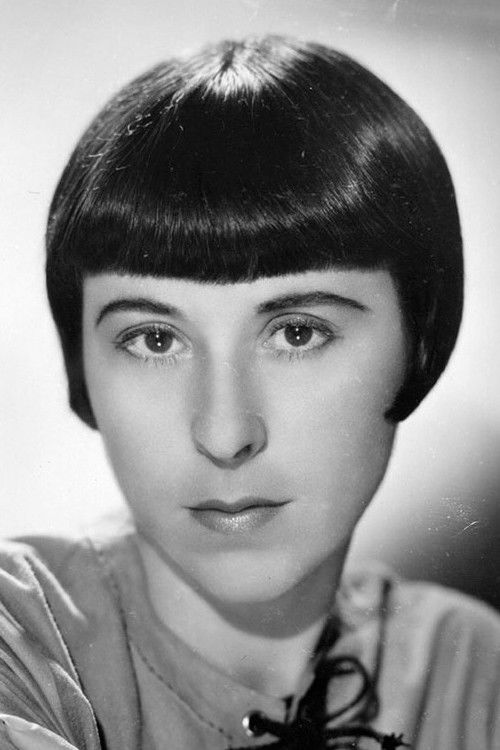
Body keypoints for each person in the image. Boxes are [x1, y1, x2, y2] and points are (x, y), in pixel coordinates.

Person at [0, 35, 498, 750]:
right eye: (154, 340)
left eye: (297, 332)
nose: (225, 433)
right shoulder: (19, 646)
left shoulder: (476, 670)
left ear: (420, 344)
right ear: (82, 369)